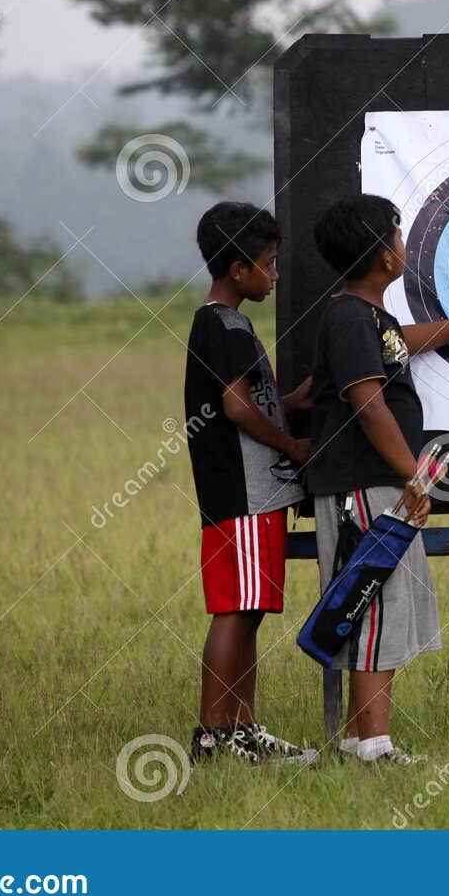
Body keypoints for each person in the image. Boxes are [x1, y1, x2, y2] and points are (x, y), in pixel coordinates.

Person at [304, 194, 449, 765]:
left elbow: (400, 345)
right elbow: (369, 403)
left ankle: (362, 739)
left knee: (378, 605)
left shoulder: (370, 318)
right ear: (384, 257)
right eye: (398, 234)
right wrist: (414, 477)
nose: (404, 244)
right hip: (364, 488)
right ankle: (374, 746)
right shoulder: (346, 318)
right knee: (371, 605)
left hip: (376, 485)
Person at [184, 201, 317, 767]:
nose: (276, 274)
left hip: (256, 494)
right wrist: (290, 444)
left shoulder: (230, 325)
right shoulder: (223, 326)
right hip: (240, 494)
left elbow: (250, 403)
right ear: (238, 270)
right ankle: (213, 737)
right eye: (269, 263)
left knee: (252, 609)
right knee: (235, 610)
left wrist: (291, 403)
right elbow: (237, 408)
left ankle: (243, 730)